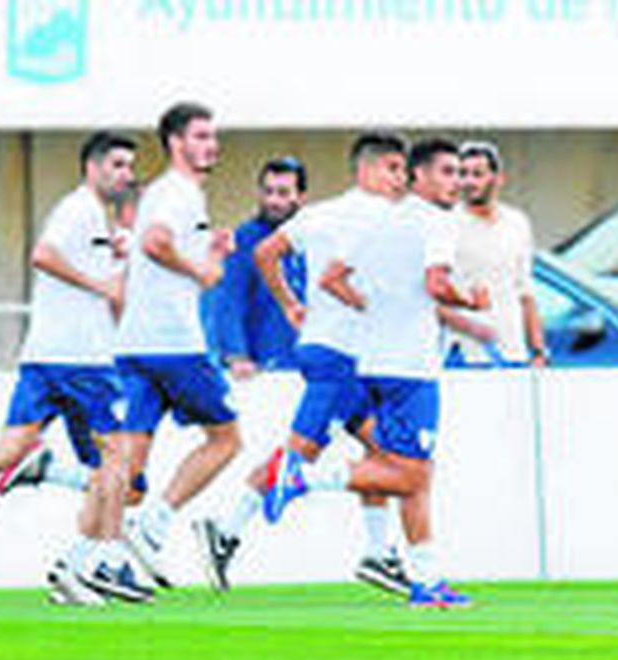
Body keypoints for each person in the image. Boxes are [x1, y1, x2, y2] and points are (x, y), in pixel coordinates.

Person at [0, 132, 147, 605]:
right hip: (82, 362)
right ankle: (106, 561)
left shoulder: (96, 220)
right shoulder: (79, 209)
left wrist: (113, 263)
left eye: (128, 166)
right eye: (118, 165)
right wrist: (102, 283)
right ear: (93, 167)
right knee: (119, 457)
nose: (126, 174)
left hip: (46, 355)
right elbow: (43, 255)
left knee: (17, 445)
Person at [262, 137, 488, 608]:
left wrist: (373, 307)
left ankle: (425, 579)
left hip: (368, 360)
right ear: (418, 176)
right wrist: (471, 300)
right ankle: (302, 478)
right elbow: (436, 283)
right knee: (410, 475)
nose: (457, 183)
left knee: (412, 472)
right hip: (410, 368)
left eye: (460, 174)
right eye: (447, 173)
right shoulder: (436, 223)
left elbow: (332, 277)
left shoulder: (381, 219)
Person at [193, 133, 409, 595]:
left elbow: (266, 253)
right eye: (393, 169)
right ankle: (225, 529)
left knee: (384, 453)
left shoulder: (319, 215)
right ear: (368, 170)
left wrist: (291, 304)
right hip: (338, 358)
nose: (401, 178)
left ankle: (378, 554)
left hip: (332, 353)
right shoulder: (385, 220)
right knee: (304, 457)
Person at [116, 102, 241, 589]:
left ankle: (89, 558)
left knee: (129, 464)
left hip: (137, 340)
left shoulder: (169, 193)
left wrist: (211, 252)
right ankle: (154, 525)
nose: (211, 145)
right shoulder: (179, 192)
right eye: (201, 136)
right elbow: (154, 242)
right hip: (175, 343)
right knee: (227, 439)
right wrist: (201, 269)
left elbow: (168, 252)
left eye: (213, 136)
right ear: (175, 143)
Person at [202, 156, 310, 379]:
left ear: (301, 198)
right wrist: (236, 354)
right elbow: (230, 299)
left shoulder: (313, 237)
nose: (273, 201)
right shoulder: (246, 238)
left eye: (283, 193)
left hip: (307, 362)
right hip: (261, 367)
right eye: (267, 191)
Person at [443, 140, 548, 368]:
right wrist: (471, 327)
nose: (468, 181)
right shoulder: (445, 224)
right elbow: (429, 297)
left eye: (477, 174)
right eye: (463, 173)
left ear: (498, 179)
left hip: (513, 353)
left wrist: (538, 349)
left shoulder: (517, 223)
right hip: (464, 355)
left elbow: (526, 291)